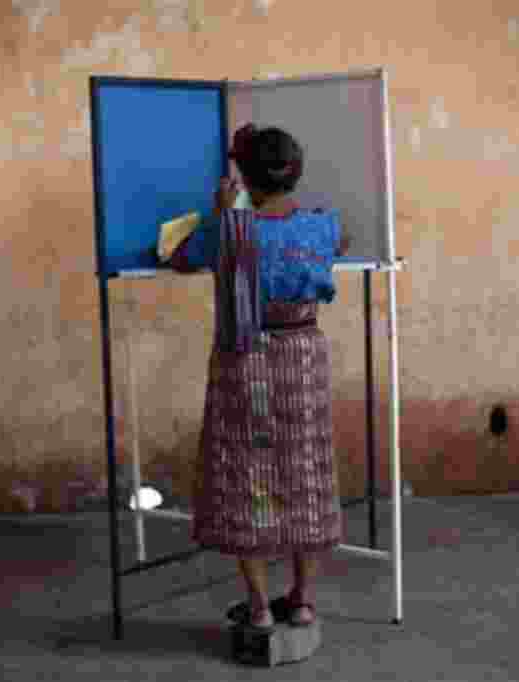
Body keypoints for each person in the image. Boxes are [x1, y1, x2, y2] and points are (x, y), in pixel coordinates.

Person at [168, 123, 351, 630]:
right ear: (295, 174)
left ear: (242, 177)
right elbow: (343, 239)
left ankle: (259, 607)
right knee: (306, 473)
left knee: (247, 473)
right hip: (302, 358)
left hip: (242, 362)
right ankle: (304, 601)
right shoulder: (321, 226)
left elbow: (179, 257)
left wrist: (227, 212)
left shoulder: (229, 229)